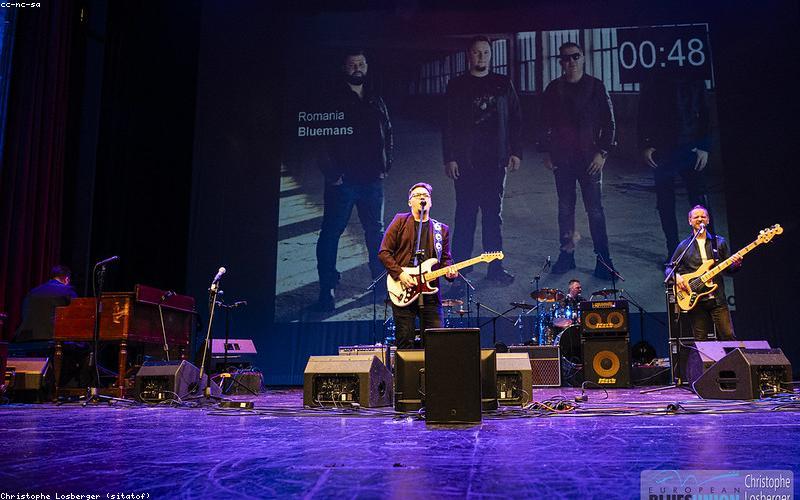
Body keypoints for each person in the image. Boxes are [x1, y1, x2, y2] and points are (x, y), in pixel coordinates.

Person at [314, 49, 393, 311]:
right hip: (343, 181)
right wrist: (332, 174)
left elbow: (388, 132)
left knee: (376, 233)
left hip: (372, 180)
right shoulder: (330, 99)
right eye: (352, 64)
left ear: (367, 67)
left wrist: (386, 164)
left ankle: (380, 285)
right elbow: (320, 139)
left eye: (361, 63)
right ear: (344, 68)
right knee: (331, 233)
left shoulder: (375, 98)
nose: (357, 68)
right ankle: (327, 290)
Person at [442, 35, 522, 286]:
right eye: (477, 52)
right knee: (465, 215)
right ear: (469, 55)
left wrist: (516, 151)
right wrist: (450, 158)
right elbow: (448, 125)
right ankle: (461, 268)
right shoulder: (456, 85)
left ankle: (495, 269)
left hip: (494, 161)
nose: (481, 57)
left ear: (490, 55)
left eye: (486, 53)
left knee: (492, 216)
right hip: (466, 162)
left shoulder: (502, 84)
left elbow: (516, 119)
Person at [538, 42, 616, 279]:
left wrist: (602, 153)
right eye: (565, 58)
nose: (570, 61)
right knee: (565, 209)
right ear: (560, 62)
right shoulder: (553, 89)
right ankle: (567, 256)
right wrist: (546, 152)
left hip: (590, 160)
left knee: (595, 211)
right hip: (563, 160)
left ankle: (604, 261)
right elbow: (543, 123)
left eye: (575, 57)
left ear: (582, 58)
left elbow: (609, 123)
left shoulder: (596, 86)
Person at [638, 73, 711, 261]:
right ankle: (674, 252)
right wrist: (645, 144)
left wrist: (704, 146)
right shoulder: (652, 77)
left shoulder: (694, 74)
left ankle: (705, 251)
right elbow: (643, 113)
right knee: (665, 203)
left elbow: (705, 112)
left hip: (691, 147)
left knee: (699, 202)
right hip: (663, 148)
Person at [378, 183, 458, 349]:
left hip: (430, 293)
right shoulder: (400, 221)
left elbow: (445, 259)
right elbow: (384, 252)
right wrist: (400, 274)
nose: (422, 197)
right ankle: (407, 376)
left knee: (436, 342)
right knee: (405, 341)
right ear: (410, 202)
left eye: (426, 195)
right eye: (417, 195)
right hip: (403, 288)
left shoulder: (441, 229)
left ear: (430, 202)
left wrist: (450, 271)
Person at [665, 205, 741, 340]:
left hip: (717, 298)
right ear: (690, 221)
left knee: (729, 336)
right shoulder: (683, 246)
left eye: (703, 216)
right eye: (696, 217)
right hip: (696, 300)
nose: (700, 219)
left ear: (708, 220)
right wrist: (677, 277)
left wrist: (736, 263)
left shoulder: (719, 242)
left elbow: (729, 269)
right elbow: (669, 269)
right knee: (701, 340)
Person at [14, 265, 78, 342]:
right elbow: (76, 318)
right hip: (52, 338)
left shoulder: (32, 292)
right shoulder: (68, 291)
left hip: (25, 338)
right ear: (67, 279)